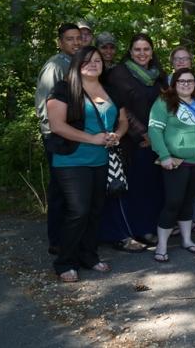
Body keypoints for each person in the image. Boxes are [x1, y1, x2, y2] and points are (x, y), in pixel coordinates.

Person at [46, 46, 128, 282]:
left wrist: (117, 135)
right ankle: (65, 262)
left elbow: (122, 121)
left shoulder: (111, 90)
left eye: (98, 60)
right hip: (71, 159)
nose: (93, 64)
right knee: (78, 211)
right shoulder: (63, 89)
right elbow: (57, 125)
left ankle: (89, 256)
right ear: (77, 64)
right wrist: (91, 138)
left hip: (101, 159)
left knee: (95, 210)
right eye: (88, 61)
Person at [100, 33, 168, 252]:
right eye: (137, 49)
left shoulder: (158, 74)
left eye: (146, 49)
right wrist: (142, 133)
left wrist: (161, 134)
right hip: (133, 141)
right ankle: (133, 230)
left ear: (152, 51)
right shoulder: (118, 74)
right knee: (135, 186)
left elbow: (168, 103)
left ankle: (149, 226)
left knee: (153, 185)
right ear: (130, 52)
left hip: (158, 140)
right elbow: (120, 108)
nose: (142, 53)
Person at [148, 68, 195, 262]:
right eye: (181, 81)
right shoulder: (164, 102)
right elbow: (154, 131)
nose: (186, 84)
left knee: (189, 200)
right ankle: (161, 246)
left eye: (190, 81)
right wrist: (164, 155)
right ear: (174, 83)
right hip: (177, 162)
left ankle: (187, 240)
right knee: (173, 202)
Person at [35, 22, 82, 255]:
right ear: (60, 42)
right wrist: (53, 135)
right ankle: (56, 240)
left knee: (72, 189)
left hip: (73, 135)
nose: (75, 42)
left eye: (78, 38)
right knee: (60, 190)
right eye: (70, 39)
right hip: (57, 137)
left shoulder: (76, 63)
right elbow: (46, 105)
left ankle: (71, 237)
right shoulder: (55, 66)